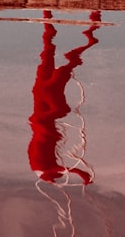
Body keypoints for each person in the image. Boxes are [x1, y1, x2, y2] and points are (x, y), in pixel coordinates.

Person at [28, 10, 101, 183]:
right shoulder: (37, 161)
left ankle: (90, 35)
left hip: (49, 98)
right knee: (48, 49)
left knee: (64, 60)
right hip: (40, 93)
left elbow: (39, 124)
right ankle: (47, 12)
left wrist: (78, 173)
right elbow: (52, 168)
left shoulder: (42, 162)